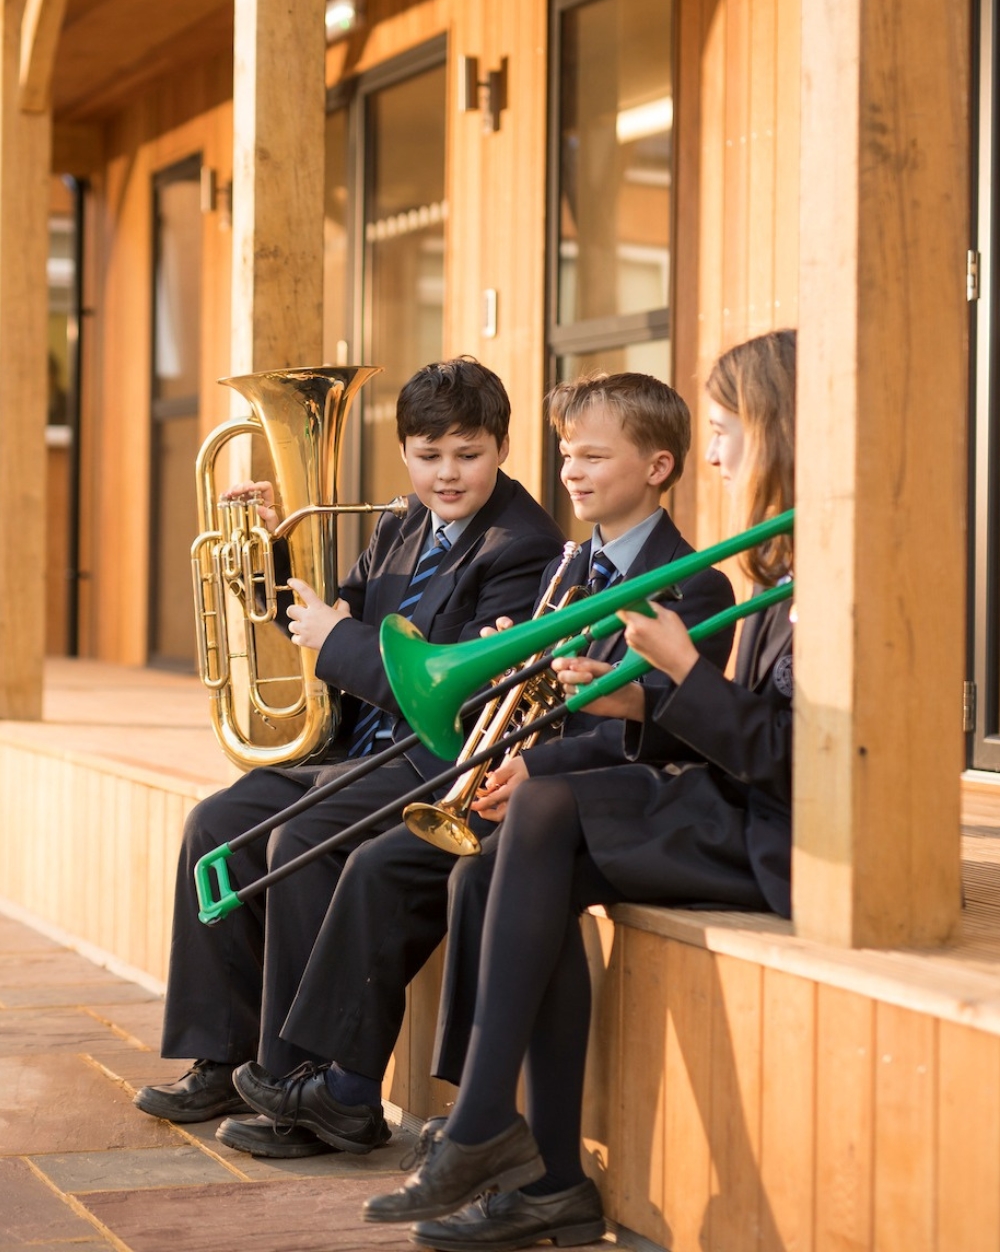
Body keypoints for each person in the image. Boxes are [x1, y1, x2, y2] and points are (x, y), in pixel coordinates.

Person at [222, 371, 735, 1159]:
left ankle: (397, 1100)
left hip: (577, 796)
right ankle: (348, 1090)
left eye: (592, 458)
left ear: (657, 468)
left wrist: (537, 760)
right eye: (568, 455)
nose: (570, 473)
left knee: (388, 865)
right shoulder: (571, 564)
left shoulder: (694, 583)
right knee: (365, 856)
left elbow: (665, 727)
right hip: (509, 780)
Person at [361, 328, 796, 1251]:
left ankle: (490, 1131)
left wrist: (679, 670)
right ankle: (541, 1170)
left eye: (727, 429)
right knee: (494, 864)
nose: (717, 451)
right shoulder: (780, 564)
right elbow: (736, 723)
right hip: (725, 799)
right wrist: (646, 691)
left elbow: (789, 753)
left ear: (776, 434)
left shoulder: (799, 581)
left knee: (543, 816)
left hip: (771, 835)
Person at [134, 357, 565, 1151]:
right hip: (356, 746)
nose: (447, 475)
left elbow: (465, 699)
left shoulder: (524, 545)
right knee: (216, 827)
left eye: (467, 454)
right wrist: (268, 554)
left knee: (302, 842)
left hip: (436, 761)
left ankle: (303, 1089)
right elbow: (342, 618)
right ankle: (225, 1056)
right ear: (403, 449)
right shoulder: (404, 520)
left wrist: (341, 641)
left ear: (502, 447)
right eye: (428, 454)